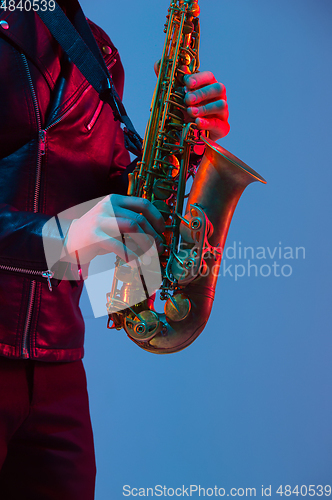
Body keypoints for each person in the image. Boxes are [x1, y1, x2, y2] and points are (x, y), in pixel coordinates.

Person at [0, 0, 230, 498]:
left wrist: (183, 151)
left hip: (56, 372)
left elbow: (112, 259)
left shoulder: (96, 50)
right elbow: (70, 237)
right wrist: (58, 242)